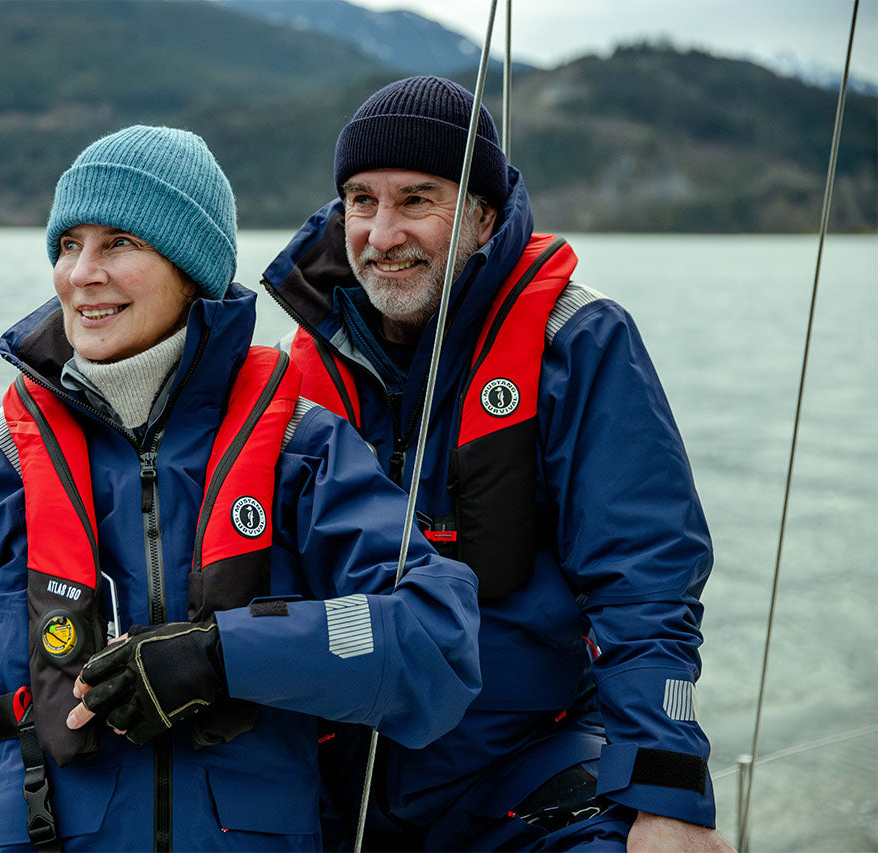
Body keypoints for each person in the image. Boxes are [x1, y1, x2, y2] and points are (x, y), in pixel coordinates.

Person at [0, 124, 482, 852]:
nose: (81, 274)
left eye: (120, 243)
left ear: (191, 269)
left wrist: (222, 654)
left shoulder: (303, 450)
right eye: (69, 245)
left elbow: (438, 640)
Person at [263, 77, 733, 851]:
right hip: (327, 785)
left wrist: (667, 793)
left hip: (520, 770)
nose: (382, 234)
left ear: (483, 215)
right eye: (360, 199)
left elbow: (645, 582)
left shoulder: (576, 340)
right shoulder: (293, 367)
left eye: (417, 200)